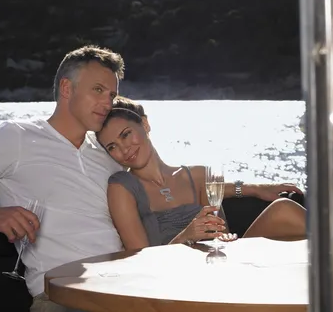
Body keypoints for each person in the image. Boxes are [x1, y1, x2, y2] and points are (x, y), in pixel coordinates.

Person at [0, 45, 302, 312]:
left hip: (132, 285)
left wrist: (247, 187)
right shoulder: (16, 137)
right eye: (97, 89)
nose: (106, 102)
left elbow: (173, 178)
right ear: (66, 88)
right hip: (64, 296)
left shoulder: (109, 154)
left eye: (112, 94)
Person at [97, 96, 307, 250]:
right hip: (172, 281)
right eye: (112, 147)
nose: (124, 149)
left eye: (126, 135)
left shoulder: (196, 176)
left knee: (284, 209)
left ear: (145, 124)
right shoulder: (122, 187)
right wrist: (185, 237)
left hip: (221, 262)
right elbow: (138, 261)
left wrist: (256, 188)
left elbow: (220, 236)